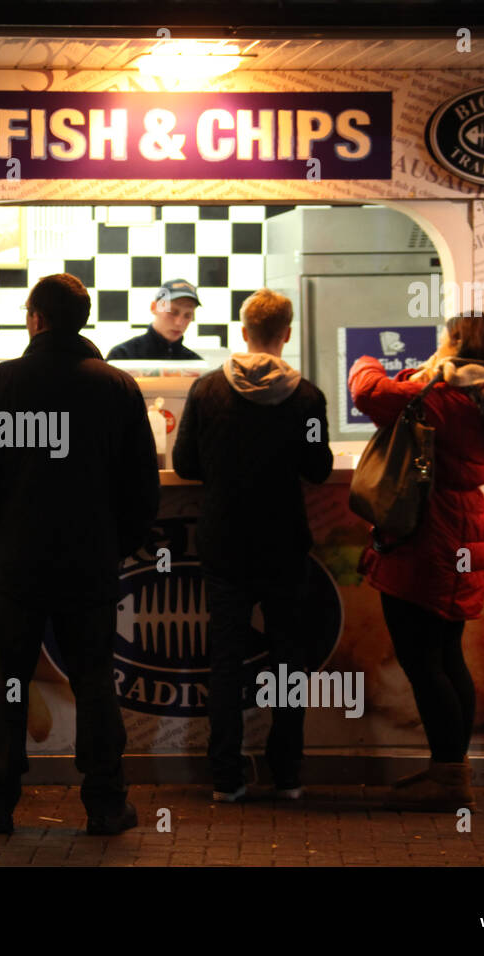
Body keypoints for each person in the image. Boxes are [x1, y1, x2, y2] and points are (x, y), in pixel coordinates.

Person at [0, 273, 160, 835]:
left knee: (8, 682)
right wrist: (115, 546)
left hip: (16, 564)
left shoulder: (4, 383)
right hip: (89, 563)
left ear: (36, 319)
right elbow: (142, 486)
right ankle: (106, 803)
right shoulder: (117, 387)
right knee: (93, 680)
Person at [348, 313, 484, 812]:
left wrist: (367, 358)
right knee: (447, 655)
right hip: (464, 530)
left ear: (457, 346)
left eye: (444, 340)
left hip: (430, 533)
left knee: (423, 660)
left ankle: (450, 778)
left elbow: (369, 391)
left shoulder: (445, 397)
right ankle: (450, 769)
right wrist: (430, 371)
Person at [171, 288, 332, 802]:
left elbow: (186, 465)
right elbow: (319, 468)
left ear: (244, 333)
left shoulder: (207, 391)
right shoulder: (307, 398)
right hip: (284, 542)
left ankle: (227, 778)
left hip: (225, 543)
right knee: (288, 659)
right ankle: (287, 775)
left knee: (226, 660)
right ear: (286, 333)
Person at [106, 279, 204, 361]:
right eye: (173, 312)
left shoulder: (195, 363)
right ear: (154, 307)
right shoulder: (122, 356)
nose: (179, 322)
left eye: (187, 315)